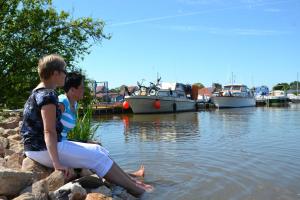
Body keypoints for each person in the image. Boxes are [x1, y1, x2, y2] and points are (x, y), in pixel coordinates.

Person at [20, 54, 152, 197]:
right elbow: (49, 131)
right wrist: (56, 163)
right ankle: (139, 191)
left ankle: (133, 183)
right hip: (41, 148)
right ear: (55, 73)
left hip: (38, 147)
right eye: (64, 71)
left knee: (98, 150)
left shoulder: (38, 92)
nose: (66, 74)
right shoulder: (47, 96)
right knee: (97, 157)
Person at [58, 71, 145, 177]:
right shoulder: (62, 103)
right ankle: (129, 177)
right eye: (81, 87)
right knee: (96, 152)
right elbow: (48, 129)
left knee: (97, 145)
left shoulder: (74, 104)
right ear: (72, 89)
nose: (84, 90)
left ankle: (127, 175)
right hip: (58, 146)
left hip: (64, 141)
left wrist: (85, 141)